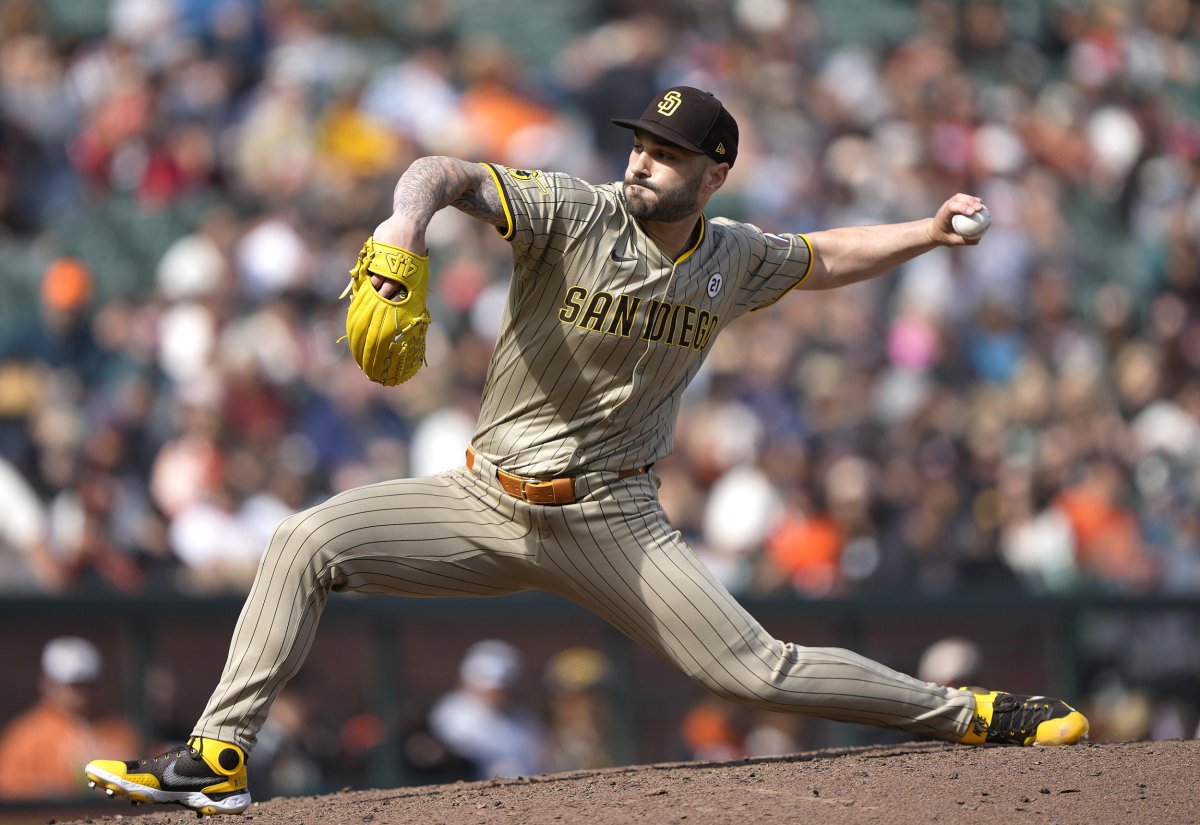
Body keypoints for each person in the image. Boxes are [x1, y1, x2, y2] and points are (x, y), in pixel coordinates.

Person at [83, 86, 1089, 816]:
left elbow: (824, 258)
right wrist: (404, 227)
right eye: (640, 142)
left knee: (757, 671)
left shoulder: (731, 257)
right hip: (483, 500)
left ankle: (969, 715)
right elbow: (443, 171)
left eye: (666, 151)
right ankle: (219, 754)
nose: (641, 161)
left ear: (714, 172)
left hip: (612, 515)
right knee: (304, 540)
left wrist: (927, 229)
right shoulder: (573, 211)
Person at [0, 637, 138, 800]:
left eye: (88, 683)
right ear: (47, 682)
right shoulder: (26, 736)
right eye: (73, 684)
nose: (82, 692)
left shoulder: (119, 730)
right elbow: (10, 790)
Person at [426, 640, 546, 779]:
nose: (495, 694)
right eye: (488, 688)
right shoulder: (450, 715)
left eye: (500, 689)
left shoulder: (523, 720)